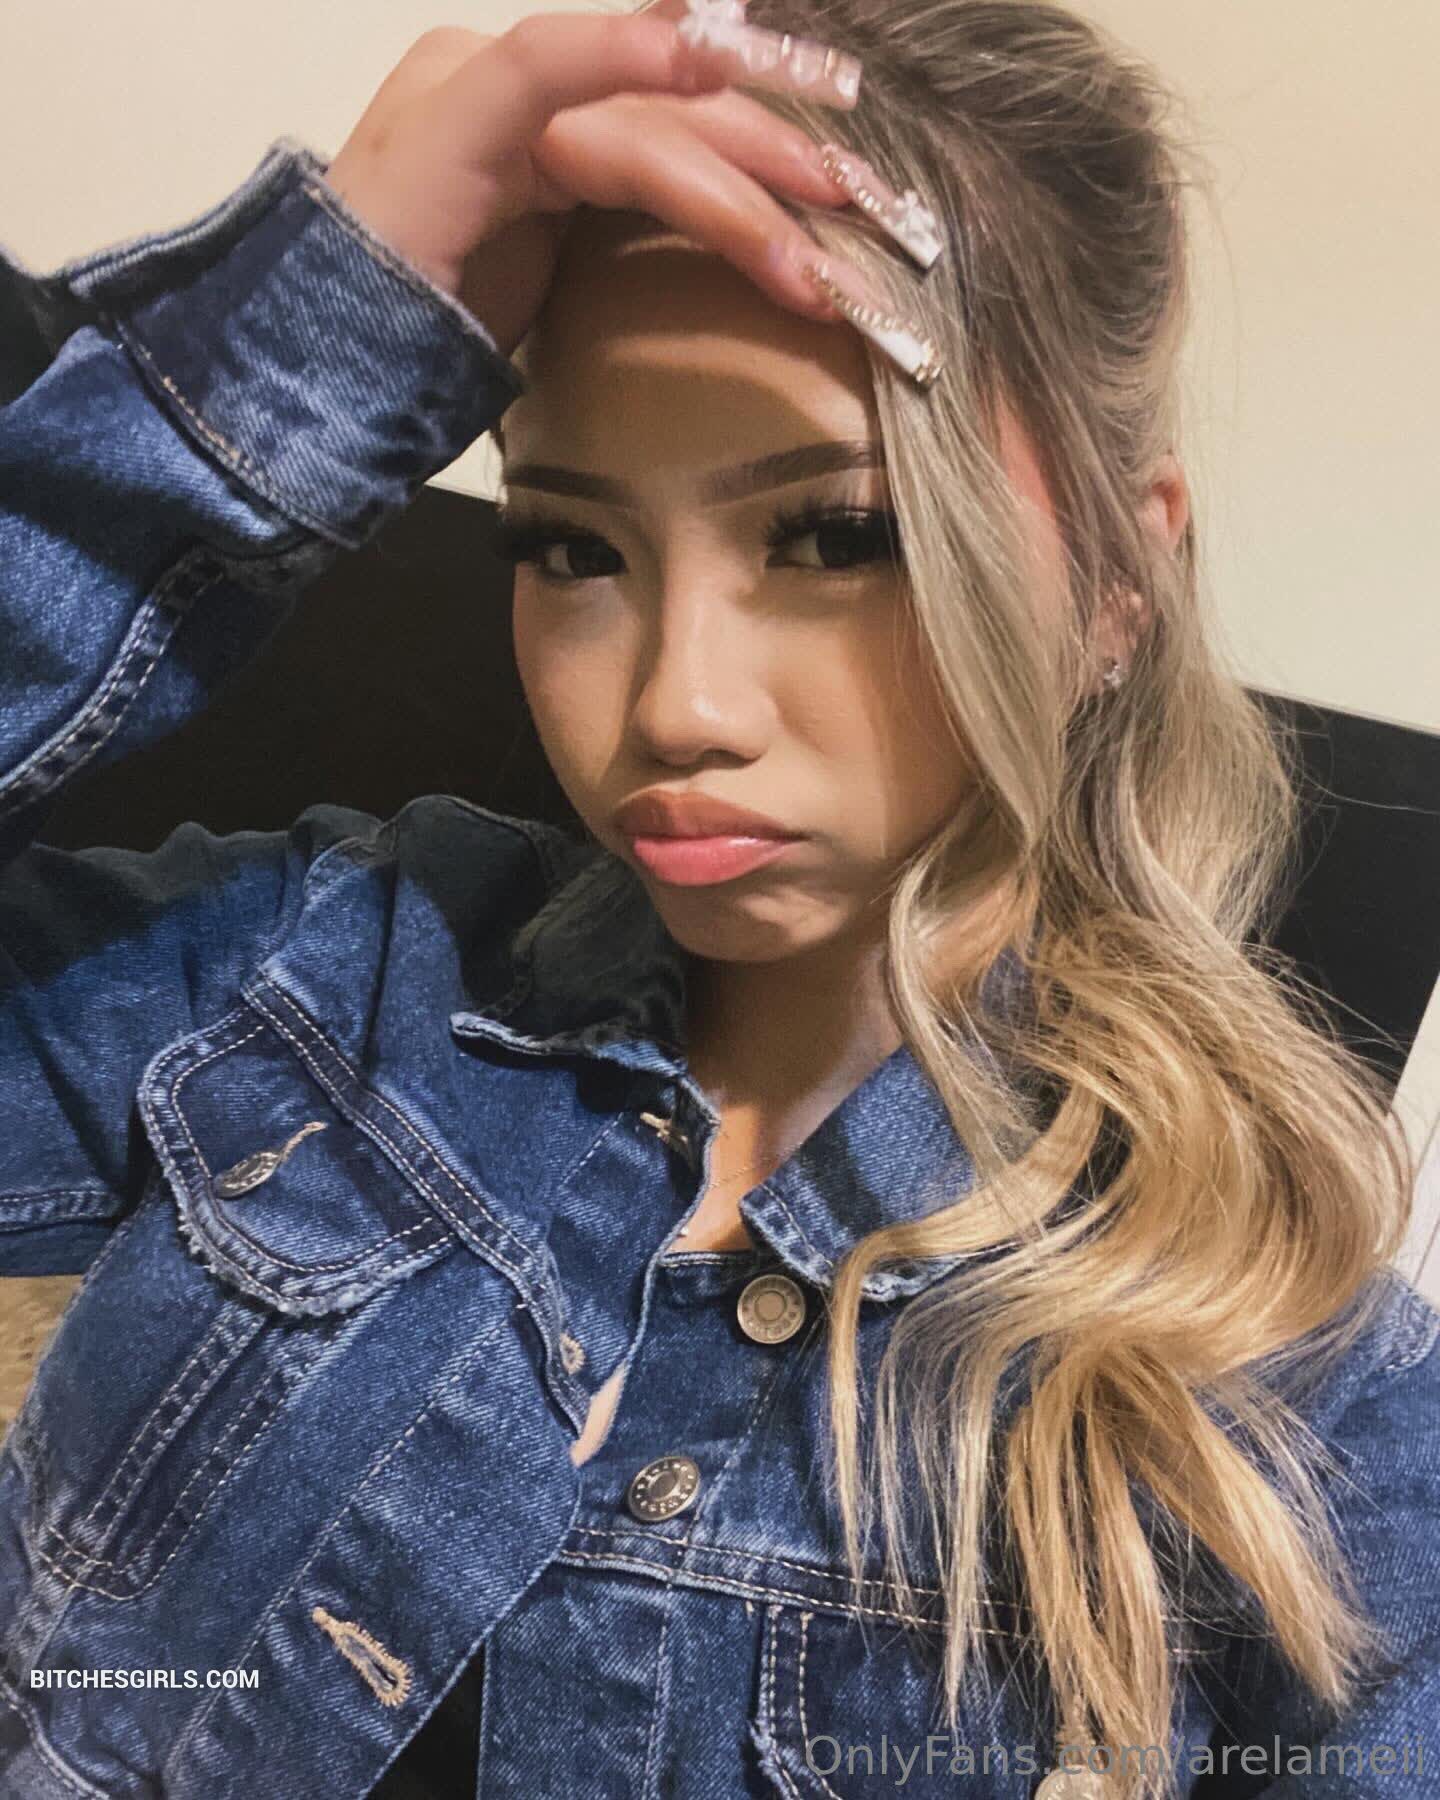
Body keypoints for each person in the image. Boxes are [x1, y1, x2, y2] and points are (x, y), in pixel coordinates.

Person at [0, 0, 1435, 1795]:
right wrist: (311, 342)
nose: (676, 705)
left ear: (1112, 589)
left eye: (835, 534)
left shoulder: (1291, 1391)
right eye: (571, 545)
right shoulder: (317, 979)